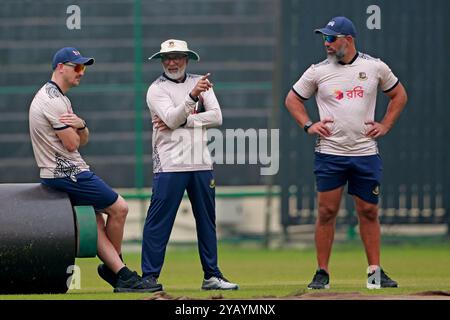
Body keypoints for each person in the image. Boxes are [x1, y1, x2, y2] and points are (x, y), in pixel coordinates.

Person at [285, 17, 408, 289]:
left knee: (368, 211)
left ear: (348, 40)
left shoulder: (374, 67)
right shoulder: (317, 71)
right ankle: (322, 273)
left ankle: (375, 273)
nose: (326, 44)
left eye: (331, 38)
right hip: (330, 153)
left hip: (365, 153)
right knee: (327, 212)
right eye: (324, 39)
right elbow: (292, 99)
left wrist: (386, 124)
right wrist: (308, 125)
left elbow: (399, 95)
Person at [29, 47, 161, 293]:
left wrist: (81, 125)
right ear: (60, 67)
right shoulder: (53, 100)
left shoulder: (59, 97)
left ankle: (119, 273)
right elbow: (72, 144)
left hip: (62, 173)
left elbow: (83, 138)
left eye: (83, 68)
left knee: (98, 220)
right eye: (77, 67)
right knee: (120, 208)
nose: (82, 72)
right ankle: (119, 271)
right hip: (68, 174)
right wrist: (79, 128)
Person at [142, 39, 239, 290]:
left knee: (206, 221)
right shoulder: (157, 89)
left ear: (187, 59)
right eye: (167, 58)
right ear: (162, 61)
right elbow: (171, 119)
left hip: (201, 163)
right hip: (170, 164)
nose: (172, 62)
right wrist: (192, 99)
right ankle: (149, 277)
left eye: (177, 57)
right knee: (159, 222)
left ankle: (212, 276)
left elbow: (217, 116)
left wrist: (187, 121)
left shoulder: (201, 83)